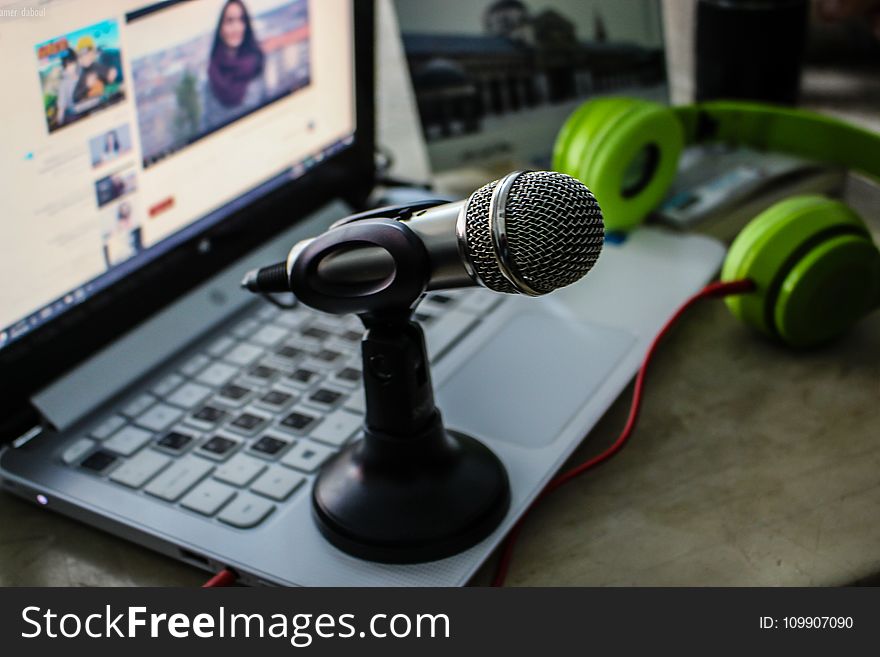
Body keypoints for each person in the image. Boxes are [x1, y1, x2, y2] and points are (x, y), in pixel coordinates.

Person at [201, 0, 266, 131]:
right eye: (230, 21)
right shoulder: (211, 75)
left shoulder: (257, 63)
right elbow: (207, 123)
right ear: (221, 28)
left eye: (241, 20)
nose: (236, 27)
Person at [73, 35, 117, 103]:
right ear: (79, 58)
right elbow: (75, 97)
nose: (87, 57)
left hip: (104, 101)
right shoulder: (81, 74)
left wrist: (111, 76)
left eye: (90, 54)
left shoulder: (97, 66)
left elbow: (107, 78)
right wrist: (87, 86)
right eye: (83, 55)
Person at [55, 50, 79, 126]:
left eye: (73, 63)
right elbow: (61, 109)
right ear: (64, 65)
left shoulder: (80, 72)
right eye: (68, 64)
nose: (71, 67)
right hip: (74, 116)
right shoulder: (63, 84)